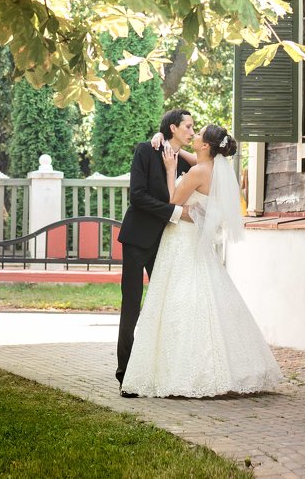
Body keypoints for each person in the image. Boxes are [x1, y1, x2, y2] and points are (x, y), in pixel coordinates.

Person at [120, 123, 283, 398]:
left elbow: (173, 200)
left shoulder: (197, 172)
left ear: (206, 145)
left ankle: (181, 369)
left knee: (178, 298)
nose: (193, 134)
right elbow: (186, 155)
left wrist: (172, 171)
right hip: (192, 239)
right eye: (190, 128)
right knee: (204, 295)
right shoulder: (212, 167)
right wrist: (161, 138)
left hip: (181, 237)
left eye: (198, 133)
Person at [116, 109, 200, 396]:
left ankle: (157, 371)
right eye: (188, 127)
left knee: (163, 307)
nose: (192, 132)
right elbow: (137, 196)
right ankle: (125, 373)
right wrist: (176, 212)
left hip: (165, 244)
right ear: (173, 128)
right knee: (131, 306)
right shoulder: (145, 150)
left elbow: (208, 164)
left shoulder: (186, 166)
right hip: (137, 239)